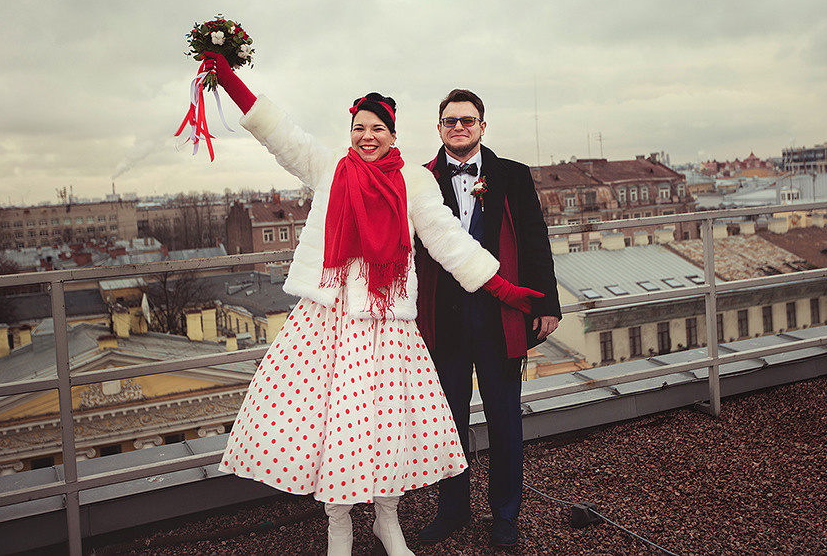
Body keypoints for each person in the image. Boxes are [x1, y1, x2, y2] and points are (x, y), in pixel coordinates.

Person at [203, 55, 542, 556]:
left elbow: (448, 240)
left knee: (386, 427)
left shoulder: (414, 182)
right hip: (330, 324)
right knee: (331, 430)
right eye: (359, 127)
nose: (367, 136)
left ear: (393, 133)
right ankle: (337, 527)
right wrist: (228, 78)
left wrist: (503, 287)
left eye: (377, 128)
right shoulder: (330, 168)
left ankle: (388, 522)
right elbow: (280, 134)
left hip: (389, 326)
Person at [415, 89, 562, 548]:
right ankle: (453, 510)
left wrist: (547, 304)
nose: (459, 127)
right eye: (450, 121)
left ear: (483, 126)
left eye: (468, 120)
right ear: (439, 128)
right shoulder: (418, 180)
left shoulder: (512, 175)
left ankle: (505, 514)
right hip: (444, 317)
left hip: (501, 315)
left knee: (504, 420)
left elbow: (535, 238)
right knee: (448, 422)